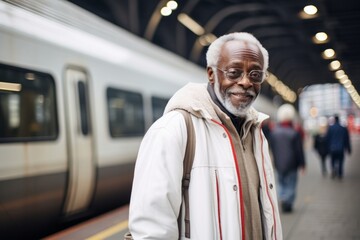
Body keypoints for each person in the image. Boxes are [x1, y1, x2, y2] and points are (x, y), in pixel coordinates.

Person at [128, 32, 283, 240]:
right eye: (234, 72)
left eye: (255, 74)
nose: (246, 82)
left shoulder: (255, 133)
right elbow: (151, 230)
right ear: (211, 74)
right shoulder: (172, 131)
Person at [269, 104, 305, 213]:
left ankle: (282, 197)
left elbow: (272, 149)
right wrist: (303, 164)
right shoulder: (294, 133)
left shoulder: (274, 133)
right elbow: (299, 150)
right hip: (292, 164)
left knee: (281, 183)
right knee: (291, 184)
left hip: (279, 164)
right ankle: (288, 202)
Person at [326, 115, 351, 179]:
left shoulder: (330, 128)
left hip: (332, 148)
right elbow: (346, 139)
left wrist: (327, 148)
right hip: (341, 148)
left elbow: (327, 139)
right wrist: (348, 148)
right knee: (341, 161)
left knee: (333, 160)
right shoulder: (343, 128)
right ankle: (340, 174)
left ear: (334, 120)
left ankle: (334, 169)